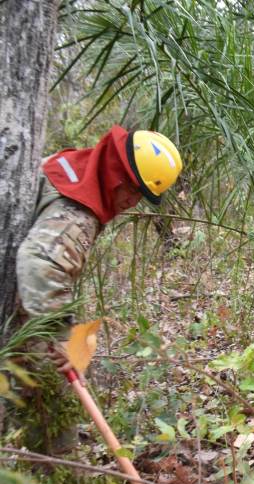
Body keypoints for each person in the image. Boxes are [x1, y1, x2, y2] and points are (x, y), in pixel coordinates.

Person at [14, 125, 182, 452]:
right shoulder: (77, 214)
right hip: (32, 306)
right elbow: (39, 264)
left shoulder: (72, 168)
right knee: (52, 389)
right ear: (118, 175)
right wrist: (57, 337)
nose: (132, 203)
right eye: (133, 192)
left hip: (23, 298)